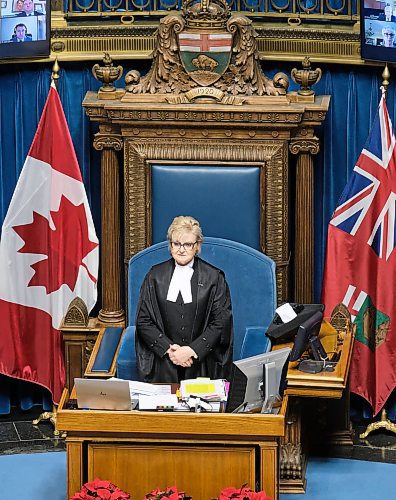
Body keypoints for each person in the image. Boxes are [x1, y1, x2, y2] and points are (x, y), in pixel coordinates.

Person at [135, 215, 233, 383]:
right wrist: (169, 350)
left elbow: (220, 322)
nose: (181, 249)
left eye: (187, 244)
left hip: (202, 362)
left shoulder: (214, 278)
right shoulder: (154, 276)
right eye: (176, 243)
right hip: (163, 363)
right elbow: (143, 321)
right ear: (170, 245)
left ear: (197, 246)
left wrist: (192, 350)